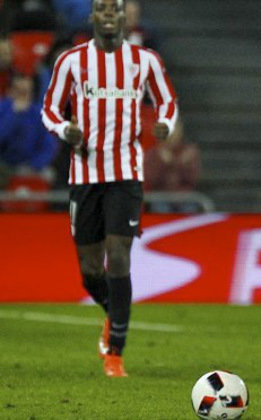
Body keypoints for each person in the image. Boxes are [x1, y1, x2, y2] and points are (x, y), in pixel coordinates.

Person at [41, 0, 178, 377]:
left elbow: (167, 101)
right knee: (89, 269)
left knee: (118, 254)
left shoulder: (144, 60)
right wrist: (64, 130)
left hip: (125, 173)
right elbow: (50, 109)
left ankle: (116, 352)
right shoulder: (71, 61)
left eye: (114, 9)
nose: (107, 14)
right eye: (100, 8)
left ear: (123, 17)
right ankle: (112, 313)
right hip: (85, 174)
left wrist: (165, 123)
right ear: (92, 17)